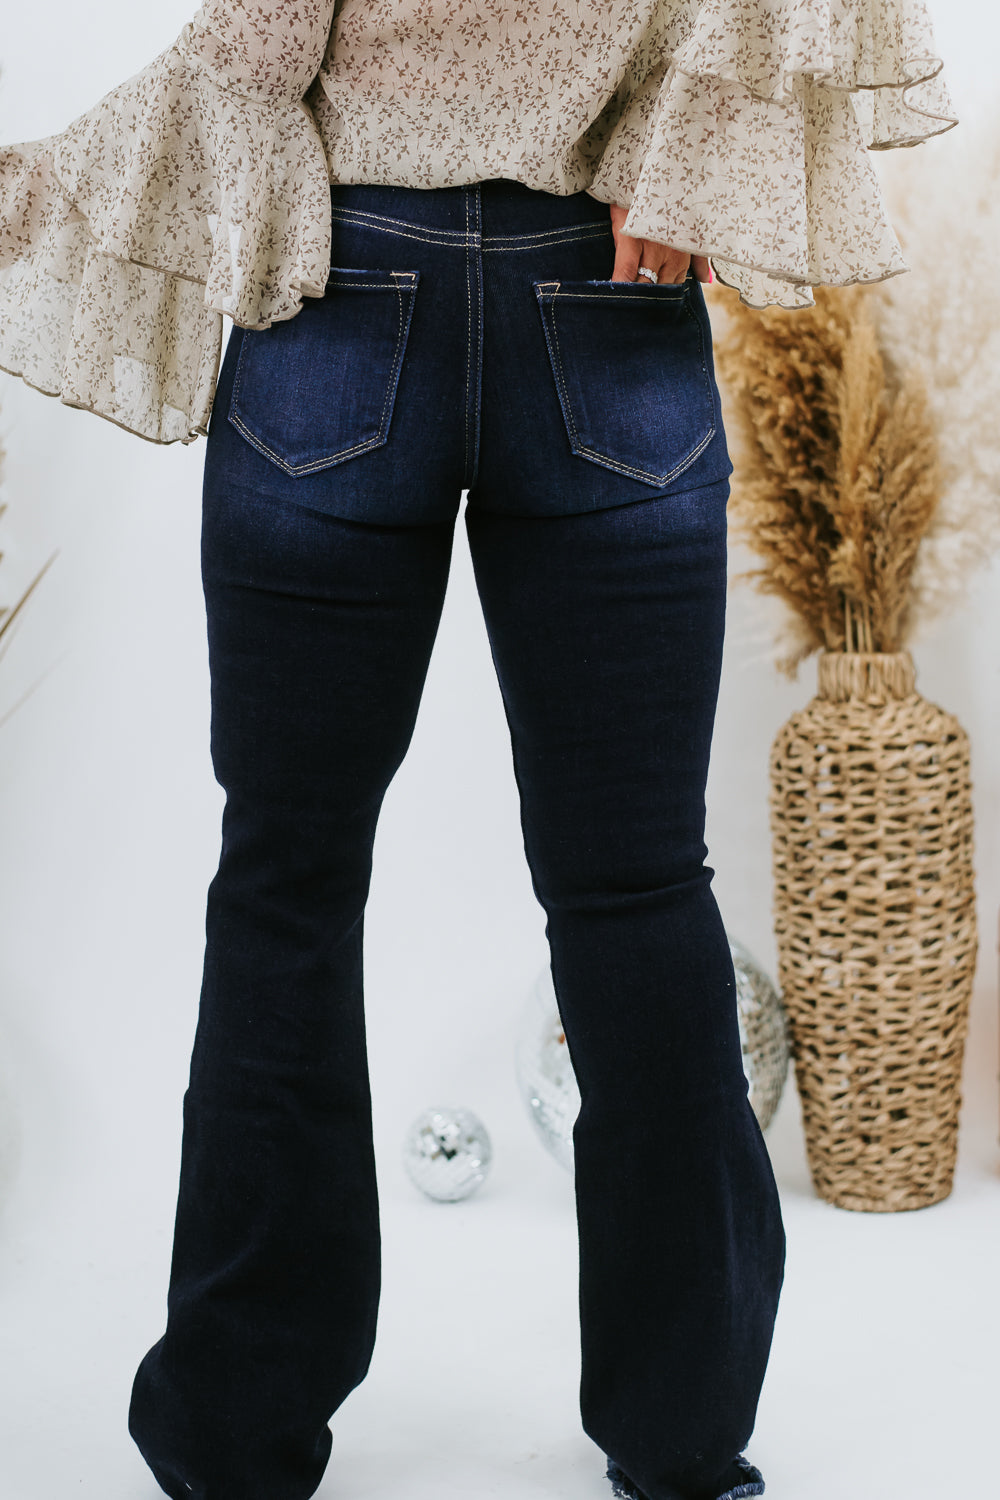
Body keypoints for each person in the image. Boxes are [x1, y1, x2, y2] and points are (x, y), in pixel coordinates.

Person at [0, 5, 956, 1500]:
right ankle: (683, 1436)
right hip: (610, 290)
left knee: (285, 886)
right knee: (638, 888)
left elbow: (253, 50)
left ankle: (235, 1438)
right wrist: (678, 162)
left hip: (342, 301)